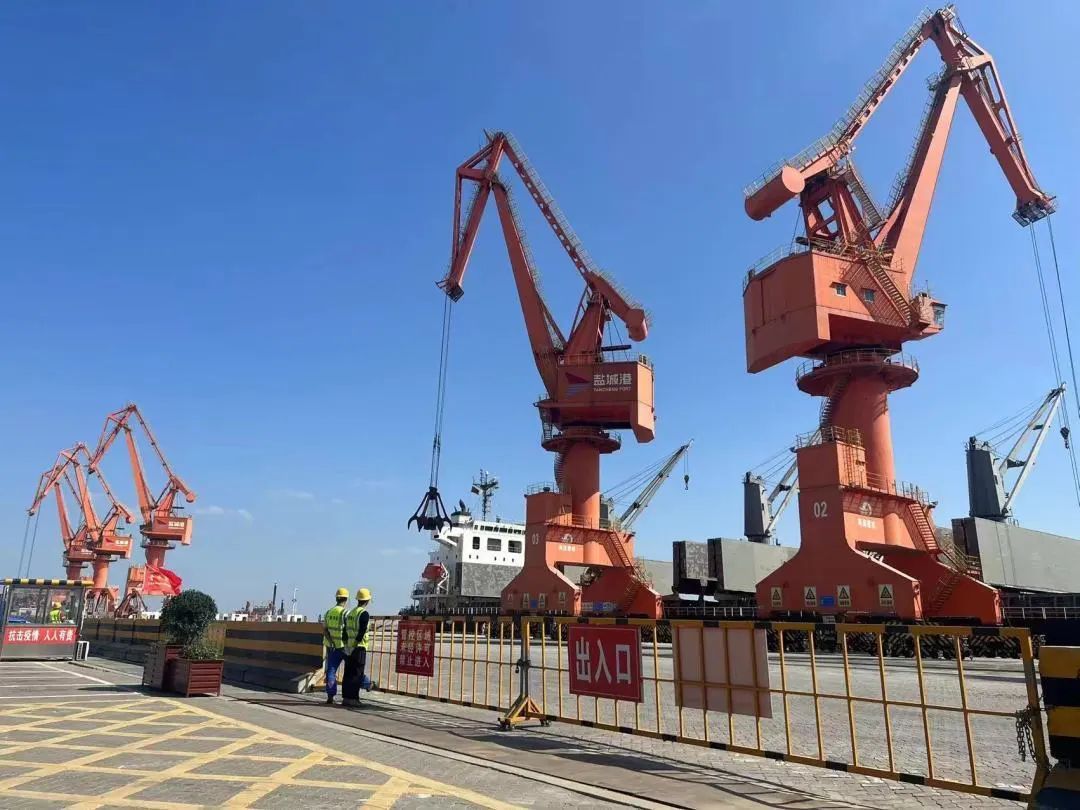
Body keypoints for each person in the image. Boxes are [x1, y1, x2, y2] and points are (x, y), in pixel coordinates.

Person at [342, 587, 373, 707]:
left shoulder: (350, 613)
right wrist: (355, 644)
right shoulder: (363, 614)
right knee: (357, 674)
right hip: (359, 647)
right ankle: (354, 699)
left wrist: (347, 646)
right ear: (367, 601)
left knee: (348, 673)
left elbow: (345, 631)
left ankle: (346, 698)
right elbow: (361, 631)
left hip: (349, 647)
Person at [322, 587, 350, 705]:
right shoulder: (345, 613)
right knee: (352, 668)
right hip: (344, 647)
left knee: (331, 671)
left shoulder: (328, 612)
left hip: (331, 647)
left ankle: (330, 696)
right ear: (346, 599)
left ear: (336, 598)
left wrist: (332, 642)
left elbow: (325, 630)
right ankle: (366, 684)